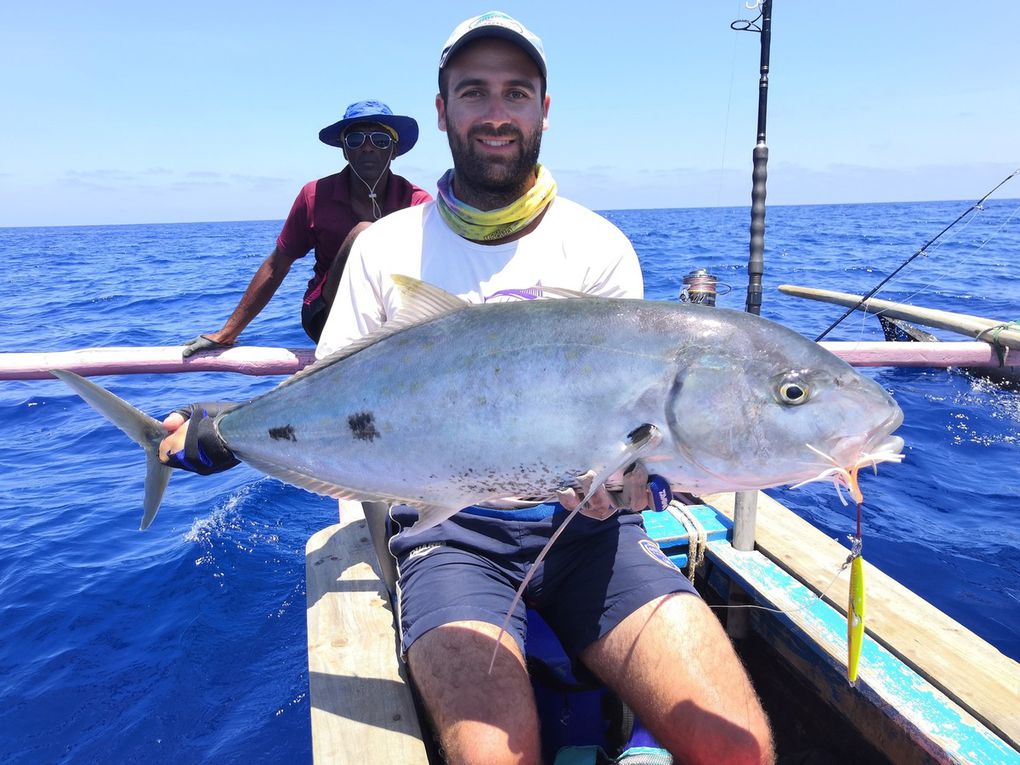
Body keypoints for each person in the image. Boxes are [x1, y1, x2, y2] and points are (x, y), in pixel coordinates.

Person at [162, 12, 775, 765]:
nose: (495, 112)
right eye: (473, 92)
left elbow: (625, 432)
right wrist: (229, 426)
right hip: (449, 536)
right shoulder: (384, 248)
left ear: (543, 110)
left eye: (516, 93)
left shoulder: (599, 246)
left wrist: (628, 483)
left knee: (734, 748)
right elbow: (329, 395)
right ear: (443, 109)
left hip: (592, 537)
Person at [180, 100, 432, 354]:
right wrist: (227, 332)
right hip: (328, 315)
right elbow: (277, 265)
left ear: (394, 150)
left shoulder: (417, 202)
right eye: (355, 140)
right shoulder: (315, 195)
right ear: (345, 150)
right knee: (364, 232)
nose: (368, 148)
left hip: (391, 317)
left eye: (379, 139)